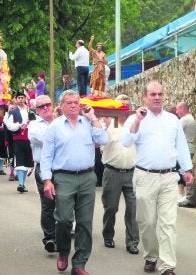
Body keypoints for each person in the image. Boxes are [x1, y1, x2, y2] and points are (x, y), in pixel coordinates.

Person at [122, 81, 194, 275]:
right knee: (146, 222)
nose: (157, 97)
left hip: (169, 177)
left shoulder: (172, 120)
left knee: (168, 223)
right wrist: (137, 121)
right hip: (145, 177)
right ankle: (151, 256)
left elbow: (181, 146)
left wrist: (187, 169)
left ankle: (167, 265)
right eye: (152, 94)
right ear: (144, 97)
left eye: (160, 94)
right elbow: (126, 142)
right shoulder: (135, 118)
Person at [40, 90, 108, 275]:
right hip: (63, 177)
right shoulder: (54, 127)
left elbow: (103, 139)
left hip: (87, 177)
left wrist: (93, 118)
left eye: (76, 102)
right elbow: (46, 157)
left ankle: (79, 264)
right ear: (61, 106)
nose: (73, 105)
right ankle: (63, 251)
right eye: (69, 103)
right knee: (63, 219)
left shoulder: (88, 123)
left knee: (85, 222)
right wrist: (47, 181)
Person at [101, 94, 139, 254]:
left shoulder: (136, 124)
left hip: (132, 172)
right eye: (120, 106)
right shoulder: (109, 123)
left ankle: (132, 242)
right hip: (112, 172)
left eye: (126, 105)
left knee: (133, 209)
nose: (124, 108)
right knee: (111, 207)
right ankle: (108, 234)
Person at [28, 95, 57, 253]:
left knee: (64, 203)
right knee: (48, 204)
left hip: (61, 168)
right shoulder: (34, 125)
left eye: (48, 104)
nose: (45, 108)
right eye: (41, 106)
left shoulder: (61, 121)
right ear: (37, 110)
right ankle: (50, 238)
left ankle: (63, 233)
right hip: (43, 168)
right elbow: (45, 139)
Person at [5, 91, 34, 193]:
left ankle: (23, 183)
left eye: (23, 98)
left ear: (25, 99)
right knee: (20, 160)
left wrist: (30, 124)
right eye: (19, 98)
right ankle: (21, 184)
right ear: (16, 100)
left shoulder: (31, 111)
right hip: (18, 139)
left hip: (30, 139)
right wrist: (19, 125)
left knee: (27, 162)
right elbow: (9, 125)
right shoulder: (13, 112)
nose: (21, 100)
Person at [175, 102, 196, 208]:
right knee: (184, 173)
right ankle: (187, 197)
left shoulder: (185, 119)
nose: (176, 112)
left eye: (177, 109)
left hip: (186, 150)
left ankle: (189, 199)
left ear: (183, 109)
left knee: (186, 173)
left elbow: (174, 131)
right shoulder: (190, 118)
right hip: (189, 148)